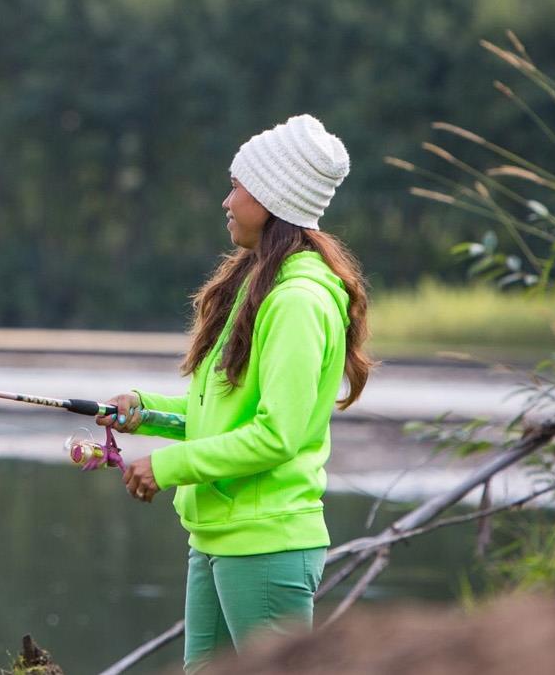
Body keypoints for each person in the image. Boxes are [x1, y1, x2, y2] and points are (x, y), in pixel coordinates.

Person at [96, 113, 371, 673]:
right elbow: (224, 410)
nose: (226, 201)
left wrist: (168, 466)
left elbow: (276, 436)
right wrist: (142, 412)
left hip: (267, 545)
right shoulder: (260, 287)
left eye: (238, 188)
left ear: (271, 200)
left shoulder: (298, 302)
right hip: (218, 536)